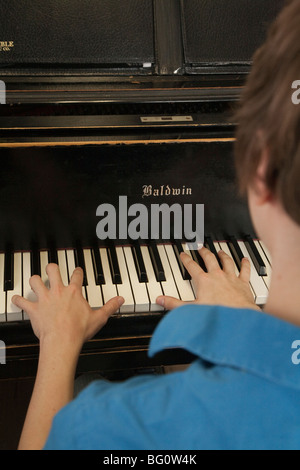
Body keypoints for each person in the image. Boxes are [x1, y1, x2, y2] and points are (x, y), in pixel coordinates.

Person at [13, 0, 300, 450]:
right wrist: (245, 321)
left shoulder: (110, 423)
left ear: (260, 171)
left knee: (87, 382)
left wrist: (58, 342)